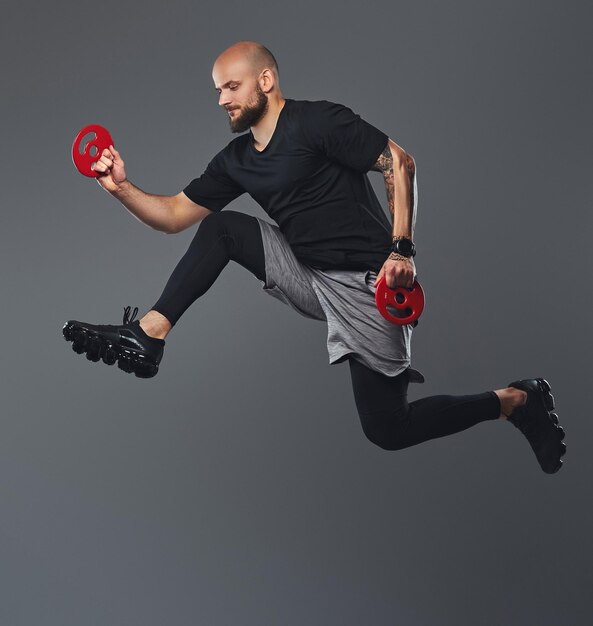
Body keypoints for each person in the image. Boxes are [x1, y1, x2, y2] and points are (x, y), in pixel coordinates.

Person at [63, 41, 566, 473]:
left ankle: (515, 400)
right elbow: (174, 214)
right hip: (306, 271)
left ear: (265, 79)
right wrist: (120, 188)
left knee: (388, 430)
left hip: (372, 281)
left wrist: (402, 249)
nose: (222, 100)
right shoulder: (235, 161)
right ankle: (148, 334)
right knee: (221, 228)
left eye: (231, 87)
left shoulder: (317, 121)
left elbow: (398, 162)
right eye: (217, 90)